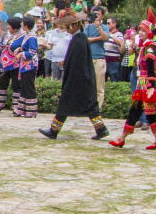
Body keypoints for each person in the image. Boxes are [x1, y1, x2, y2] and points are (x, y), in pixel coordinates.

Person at [39, 12, 108, 140]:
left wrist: (67, 63)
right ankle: (101, 129)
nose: (66, 29)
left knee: (66, 103)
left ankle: (54, 130)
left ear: (74, 25)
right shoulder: (79, 38)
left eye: (68, 26)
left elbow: (77, 60)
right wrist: (66, 61)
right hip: (81, 77)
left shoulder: (79, 38)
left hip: (77, 78)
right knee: (89, 104)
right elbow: (75, 57)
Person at [109, 10, 156, 150]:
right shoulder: (147, 45)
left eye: (144, 31)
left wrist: (150, 86)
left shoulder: (150, 47)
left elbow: (151, 68)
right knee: (145, 112)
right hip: (143, 83)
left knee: (138, 111)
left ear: (149, 32)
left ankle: (122, 138)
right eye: (140, 30)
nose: (140, 33)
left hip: (147, 84)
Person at [15, 15, 40, 117]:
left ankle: (31, 110)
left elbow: (32, 51)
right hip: (24, 65)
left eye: (23, 23)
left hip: (30, 65)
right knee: (24, 86)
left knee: (29, 86)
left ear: (26, 25)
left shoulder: (32, 37)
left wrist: (21, 54)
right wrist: (20, 49)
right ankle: (22, 109)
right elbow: (25, 47)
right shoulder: (27, 35)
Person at [0, 17, 21, 112]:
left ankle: (15, 107)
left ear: (14, 26)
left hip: (15, 64)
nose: (8, 26)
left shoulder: (21, 36)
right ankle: (1, 104)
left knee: (16, 85)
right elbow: (0, 47)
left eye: (9, 25)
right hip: (4, 64)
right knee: (3, 83)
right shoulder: (6, 35)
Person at [84, 9, 107, 108]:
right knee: (87, 84)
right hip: (89, 58)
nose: (96, 16)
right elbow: (85, 39)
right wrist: (98, 38)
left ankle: (98, 108)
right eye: (95, 14)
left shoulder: (105, 27)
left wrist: (99, 28)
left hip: (99, 58)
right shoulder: (88, 26)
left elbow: (105, 37)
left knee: (99, 86)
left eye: (98, 14)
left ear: (102, 16)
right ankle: (87, 107)